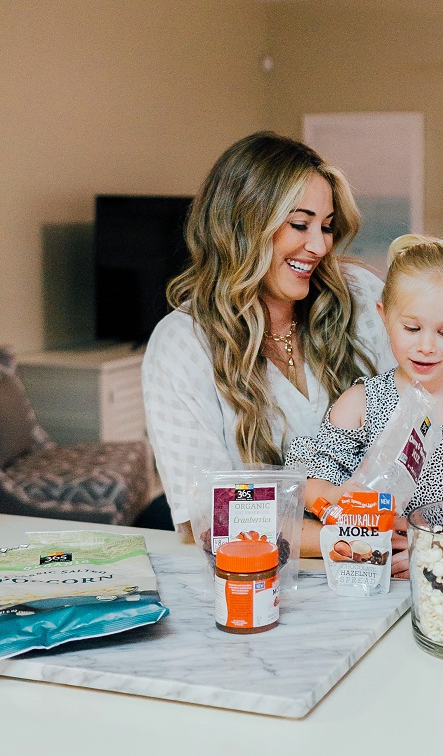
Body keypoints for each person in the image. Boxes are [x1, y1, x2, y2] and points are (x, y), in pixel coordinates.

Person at [141, 132, 395, 553]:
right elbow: (208, 518)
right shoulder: (182, 345)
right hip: (260, 583)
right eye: (300, 224)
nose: (318, 245)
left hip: (381, 563)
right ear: (242, 224)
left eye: (327, 226)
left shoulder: (363, 297)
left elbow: (414, 419)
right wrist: (358, 540)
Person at [287, 235, 443, 575]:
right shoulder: (360, 403)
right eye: (412, 328)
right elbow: (312, 482)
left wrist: (438, 547)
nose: (426, 346)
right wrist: (339, 501)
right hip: (364, 571)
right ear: (384, 316)